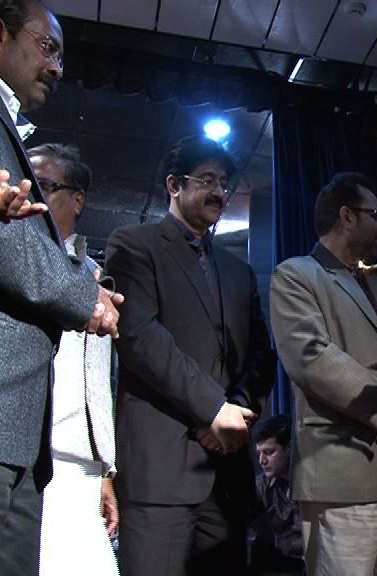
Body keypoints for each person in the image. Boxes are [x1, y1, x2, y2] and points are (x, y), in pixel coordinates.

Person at [0, 2, 122, 574]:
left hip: (20, 432)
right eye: (48, 47)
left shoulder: (3, 119)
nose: (58, 67)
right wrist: (84, 297)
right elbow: (6, 244)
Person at [105, 134, 275, 576]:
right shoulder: (134, 244)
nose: (218, 191)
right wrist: (213, 409)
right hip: (161, 469)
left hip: (227, 472)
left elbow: (262, 352)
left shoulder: (238, 271)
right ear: (173, 185)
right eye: (206, 179)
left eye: (223, 182)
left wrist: (236, 411)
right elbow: (140, 338)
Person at [270, 172, 377, 576]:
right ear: (347, 216)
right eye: (375, 216)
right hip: (341, 474)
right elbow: (312, 359)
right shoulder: (295, 275)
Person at [27, 143, 119, 576]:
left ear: (77, 199)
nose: (30, 194)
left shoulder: (95, 276)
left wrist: (105, 470)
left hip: (81, 460)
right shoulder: (13, 265)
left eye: (44, 186)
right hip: (28, 452)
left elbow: (97, 381)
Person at [250, 415, 304, 576]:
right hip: (287, 564)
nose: (262, 460)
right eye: (259, 453)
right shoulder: (263, 485)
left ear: (289, 448)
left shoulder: (312, 480)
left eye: (269, 452)